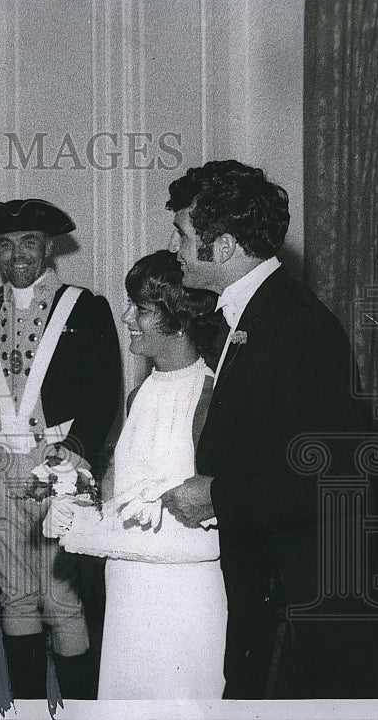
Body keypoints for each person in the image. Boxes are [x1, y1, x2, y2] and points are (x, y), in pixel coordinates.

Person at [159, 160, 378, 698]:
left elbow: (335, 479)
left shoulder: (296, 325)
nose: (173, 247)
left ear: (221, 247)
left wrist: (218, 494)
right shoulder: (257, 312)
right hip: (277, 588)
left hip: (307, 606)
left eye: (181, 233)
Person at [0, 199, 122, 700]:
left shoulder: (85, 306)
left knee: (61, 598)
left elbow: (104, 395)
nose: (17, 254)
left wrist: (71, 460)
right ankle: (30, 710)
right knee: (13, 596)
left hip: (59, 462)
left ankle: (80, 709)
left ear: (49, 247)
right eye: (7, 244)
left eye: (29, 242)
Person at [45, 249, 226, 698]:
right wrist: (72, 502)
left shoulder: (210, 396)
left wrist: (88, 534)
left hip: (181, 599)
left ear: (181, 321)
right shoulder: (139, 394)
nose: (126, 316)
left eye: (141, 308)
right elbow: (124, 497)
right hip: (128, 591)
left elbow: (210, 519)